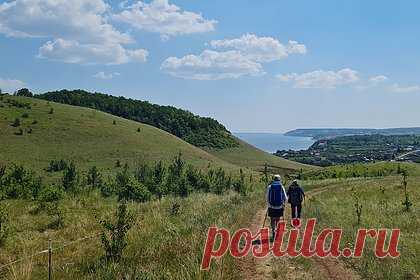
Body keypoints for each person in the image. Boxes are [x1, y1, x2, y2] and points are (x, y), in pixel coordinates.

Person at [266, 174, 288, 241]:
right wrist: (284, 204)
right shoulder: (281, 187)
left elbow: (267, 197)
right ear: (279, 179)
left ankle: (273, 232)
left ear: (274, 179)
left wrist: (269, 204)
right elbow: (285, 198)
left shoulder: (270, 186)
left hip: (271, 206)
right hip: (279, 206)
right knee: (278, 220)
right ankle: (277, 232)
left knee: (272, 220)